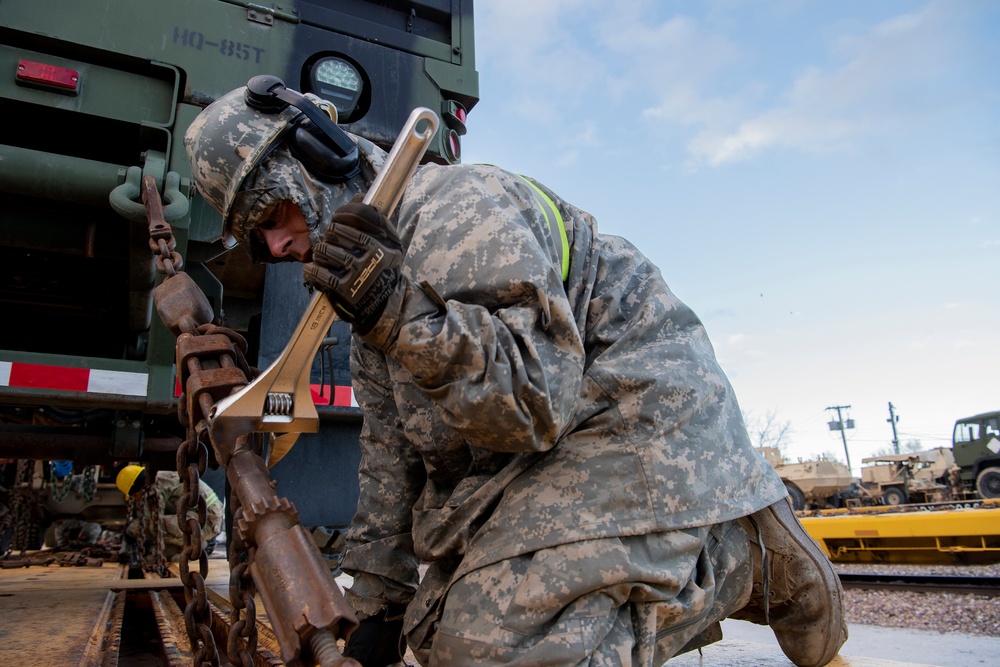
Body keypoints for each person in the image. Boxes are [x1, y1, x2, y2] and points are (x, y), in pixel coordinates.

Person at [184, 82, 847, 667]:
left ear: (319, 157)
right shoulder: (365, 291)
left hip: (637, 422)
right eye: (257, 233)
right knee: (433, 626)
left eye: (274, 214)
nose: (275, 246)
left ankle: (737, 552)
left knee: (495, 653)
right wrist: (377, 595)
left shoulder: (450, 211)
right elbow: (391, 453)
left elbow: (537, 401)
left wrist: (397, 313)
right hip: (542, 452)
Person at [116, 465, 224, 560]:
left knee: (155, 526)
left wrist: (131, 532)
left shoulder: (154, 488)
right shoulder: (158, 477)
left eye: (135, 496)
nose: (136, 499)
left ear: (136, 489)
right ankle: (193, 548)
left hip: (205, 520)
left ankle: (199, 545)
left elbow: (152, 521)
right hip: (205, 516)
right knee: (167, 556)